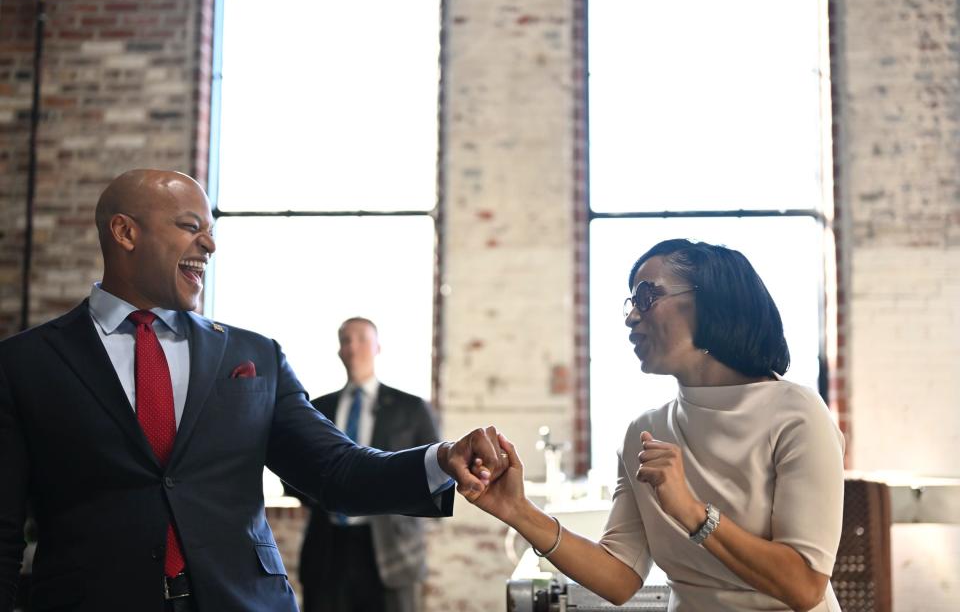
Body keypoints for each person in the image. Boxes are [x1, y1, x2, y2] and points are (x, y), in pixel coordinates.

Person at [0, 169, 506, 612]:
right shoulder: (26, 363)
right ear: (125, 232)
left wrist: (441, 459)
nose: (209, 245)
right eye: (189, 227)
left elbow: (336, 470)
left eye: (211, 231)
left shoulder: (254, 356)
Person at [468, 239, 845, 612]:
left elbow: (805, 586)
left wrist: (692, 511)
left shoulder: (798, 414)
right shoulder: (645, 430)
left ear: (713, 303)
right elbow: (619, 577)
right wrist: (518, 510)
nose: (632, 317)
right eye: (631, 304)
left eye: (647, 297)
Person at [292, 317, 440, 612]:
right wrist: (323, 495)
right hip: (327, 546)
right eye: (345, 340)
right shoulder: (317, 409)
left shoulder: (411, 408)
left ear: (377, 347)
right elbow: (294, 468)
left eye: (361, 339)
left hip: (391, 549)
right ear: (339, 351)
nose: (353, 346)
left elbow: (436, 475)